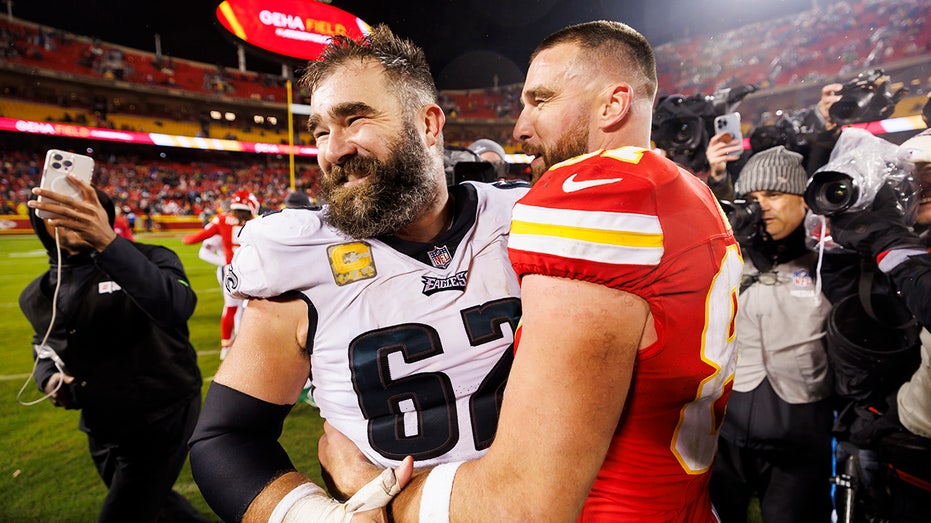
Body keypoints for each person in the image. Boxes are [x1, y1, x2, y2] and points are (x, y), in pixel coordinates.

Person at [322, 19, 743, 521]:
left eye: (539, 101)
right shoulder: (691, 191)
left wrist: (368, 486)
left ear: (613, 104)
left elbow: (519, 505)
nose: (520, 128)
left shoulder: (591, 201)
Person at [188, 24, 529, 523]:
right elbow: (227, 437)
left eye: (355, 119)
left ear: (429, 124)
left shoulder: (524, 216)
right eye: (322, 131)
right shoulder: (297, 254)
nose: (334, 148)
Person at [19, 175, 207, 523]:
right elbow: (43, 346)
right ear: (40, 223)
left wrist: (107, 243)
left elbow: (177, 306)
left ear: (103, 214)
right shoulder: (38, 293)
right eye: (57, 210)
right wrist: (48, 378)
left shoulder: (154, 258)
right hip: (100, 423)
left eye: (82, 207)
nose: (71, 216)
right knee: (154, 503)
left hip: (163, 413)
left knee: (125, 512)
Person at [708, 145, 835, 523]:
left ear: (805, 201)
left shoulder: (831, 262)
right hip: (730, 429)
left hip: (801, 426)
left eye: (775, 195)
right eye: (752, 198)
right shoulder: (731, 258)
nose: (761, 206)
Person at [825, 128, 931, 521]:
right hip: (903, 441)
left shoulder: (904, 250)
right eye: (912, 176)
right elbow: (857, 316)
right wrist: (842, 249)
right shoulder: (907, 245)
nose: (922, 185)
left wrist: (893, 246)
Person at [182, 189, 259, 359]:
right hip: (252, 272)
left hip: (231, 272)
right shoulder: (257, 223)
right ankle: (245, 343)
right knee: (249, 309)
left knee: (231, 308)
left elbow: (194, 239)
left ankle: (226, 346)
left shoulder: (222, 219)